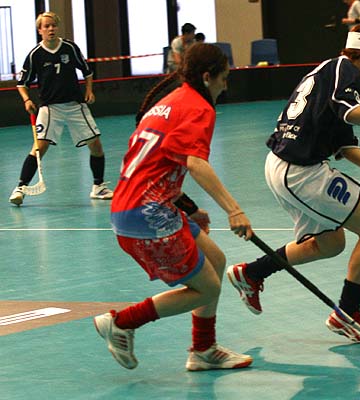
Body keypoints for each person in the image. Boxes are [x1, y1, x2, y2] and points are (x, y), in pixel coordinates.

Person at [226, 21, 360, 343]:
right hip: (301, 172)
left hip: (284, 166)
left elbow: (345, 147)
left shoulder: (332, 74)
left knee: (331, 243)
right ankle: (347, 314)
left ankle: (252, 272)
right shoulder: (345, 70)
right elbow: (351, 113)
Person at [93, 42, 254, 371]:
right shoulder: (199, 108)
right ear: (207, 77)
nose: (226, 85)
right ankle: (122, 322)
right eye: (224, 78)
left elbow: (157, 163)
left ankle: (203, 349)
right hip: (146, 213)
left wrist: (189, 208)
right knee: (206, 288)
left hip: (138, 204)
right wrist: (234, 210)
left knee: (215, 260)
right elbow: (195, 164)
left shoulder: (172, 100)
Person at [9, 11, 113, 206]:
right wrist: (27, 100)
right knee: (39, 148)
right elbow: (22, 83)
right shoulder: (35, 55)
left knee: (96, 145)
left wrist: (89, 90)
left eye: (53, 25)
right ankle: (21, 188)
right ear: (40, 30)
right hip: (50, 108)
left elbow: (87, 71)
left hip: (75, 105)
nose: (51, 29)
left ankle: (98, 186)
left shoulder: (70, 48)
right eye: (46, 26)